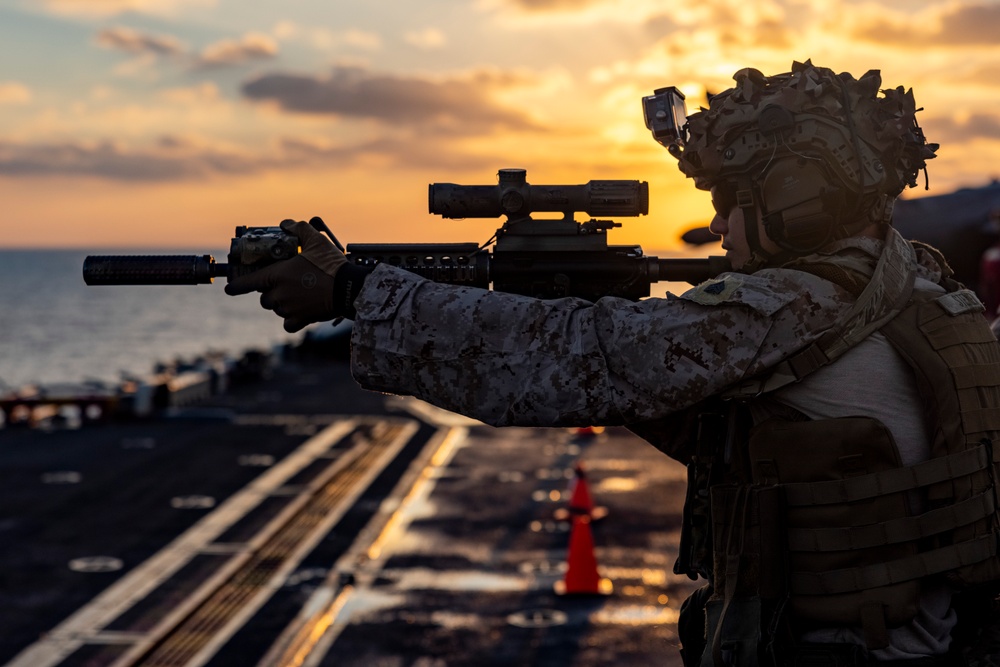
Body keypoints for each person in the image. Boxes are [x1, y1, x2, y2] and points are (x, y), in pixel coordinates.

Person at [226, 60, 1000, 666]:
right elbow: (732, 416)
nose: (719, 224)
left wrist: (358, 290)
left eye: (733, 199)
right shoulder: (921, 284)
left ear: (797, 198)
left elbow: (567, 357)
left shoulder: (792, 308)